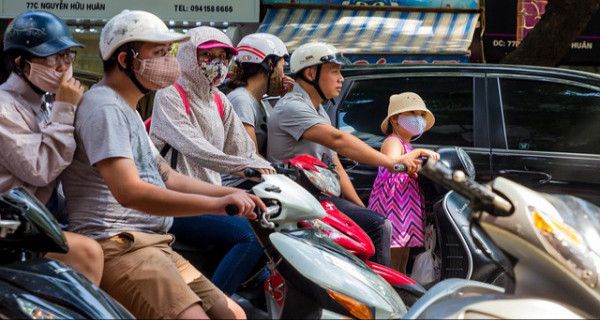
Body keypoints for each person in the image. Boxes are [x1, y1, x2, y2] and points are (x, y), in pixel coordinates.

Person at [61, 10, 265, 319]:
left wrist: (225, 195)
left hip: (155, 245)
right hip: (120, 245)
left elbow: (166, 175)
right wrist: (218, 204)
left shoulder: (127, 109)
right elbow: (129, 191)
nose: (168, 61)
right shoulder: (104, 108)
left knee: (233, 314)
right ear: (125, 60)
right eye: (158, 53)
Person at [267, 42, 431, 267]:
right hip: (298, 200)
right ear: (311, 73)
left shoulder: (318, 110)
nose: (341, 78)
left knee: (372, 223)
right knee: (379, 226)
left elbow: (335, 163)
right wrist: (393, 162)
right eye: (334, 71)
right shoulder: (293, 107)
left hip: (317, 197)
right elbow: (339, 141)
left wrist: (359, 207)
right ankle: (379, 299)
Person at [149, 26, 273, 295]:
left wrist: (273, 172)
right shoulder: (170, 94)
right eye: (208, 56)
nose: (217, 63)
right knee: (252, 237)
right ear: (188, 56)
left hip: (211, 198)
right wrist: (243, 167)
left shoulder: (219, 100)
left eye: (223, 56)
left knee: (270, 227)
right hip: (176, 202)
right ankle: (216, 305)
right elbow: (195, 147)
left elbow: (242, 147)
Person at [0, 10, 103, 286]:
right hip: (9, 226)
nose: (63, 66)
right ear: (21, 63)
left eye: (67, 55)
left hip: (38, 220)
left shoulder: (44, 104)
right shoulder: (4, 107)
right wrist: (66, 108)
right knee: (88, 254)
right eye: (52, 57)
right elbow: (41, 170)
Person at [367, 92, 439, 273]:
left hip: (406, 206)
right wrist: (419, 152)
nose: (418, 119)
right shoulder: (392, 141)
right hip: (394, 206)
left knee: (403, 255)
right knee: (392, 254)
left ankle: (400, 290)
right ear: (394, 120)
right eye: (412, 114)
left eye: (421, 115)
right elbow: (393, 162)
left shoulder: (408, 145)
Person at [226, 33, 294, 157]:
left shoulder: (257, 101)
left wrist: (289, 99)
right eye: (282, 66)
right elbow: (250, 155)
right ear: (269, 64)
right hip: (244, 176)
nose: (283, 75)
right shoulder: (241, 101)